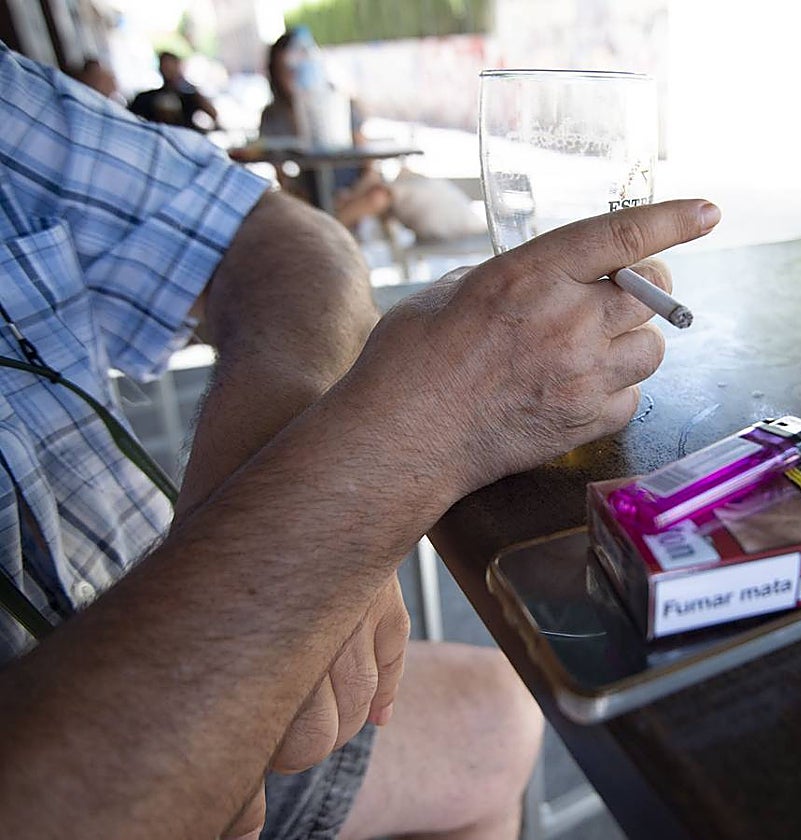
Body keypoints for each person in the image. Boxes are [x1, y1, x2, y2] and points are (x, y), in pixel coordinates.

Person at [0, 41, 720, 840]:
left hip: (151, 586)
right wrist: (344, 493)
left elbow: (278, 232)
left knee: (495, 720)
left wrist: (277, 466)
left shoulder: (14, 101)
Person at [259, 31, 390, 229]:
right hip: (309, 191)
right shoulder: (274, 115)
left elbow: (368, 164)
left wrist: (351, 193)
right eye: (287, 69)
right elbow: (282, 179)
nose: (294, 75)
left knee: (378, 196)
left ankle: (328, 230)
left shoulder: (337, 101)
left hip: (353, 188)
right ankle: (331, 229)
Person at [129, 50, 220, 132]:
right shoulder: (146, 98)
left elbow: (212, 113)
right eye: (165, 66)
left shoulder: (189, 96)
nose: (168, 70)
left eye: (171, 66)